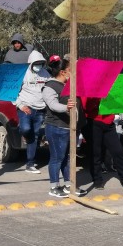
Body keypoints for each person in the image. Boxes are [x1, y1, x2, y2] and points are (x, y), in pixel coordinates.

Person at [81, 94, 123, 191]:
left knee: (118, 151)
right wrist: (99, 99)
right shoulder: (90, 88)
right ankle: (97, 180)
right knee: (96, 153)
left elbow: (120, 102)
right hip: (93, 122)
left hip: (109, 123)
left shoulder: (110, 86)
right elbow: (85, 107)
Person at [42, 57, 76, 197]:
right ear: (62, 72)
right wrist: (66, 108)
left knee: (66, 158)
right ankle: (54, 186)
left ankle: (69, 185)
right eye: (69, 70)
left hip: (67, 127)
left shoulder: (68, 86)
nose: (71, 73)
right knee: (56, 158)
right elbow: (53, 105)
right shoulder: (49, 86)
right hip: (55, 127)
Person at [14, 50, 49, 174]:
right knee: (26, 129)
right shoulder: (22, 74)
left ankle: (30, 163)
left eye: (41, 63)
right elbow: (12, 93)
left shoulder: (46, 74)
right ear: (31, 63)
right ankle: (21, 129)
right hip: (26, 109)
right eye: (36, 63)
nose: (38, 65)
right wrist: (21, 105)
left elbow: (48, 90)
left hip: (40, 110)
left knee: (33, 136)